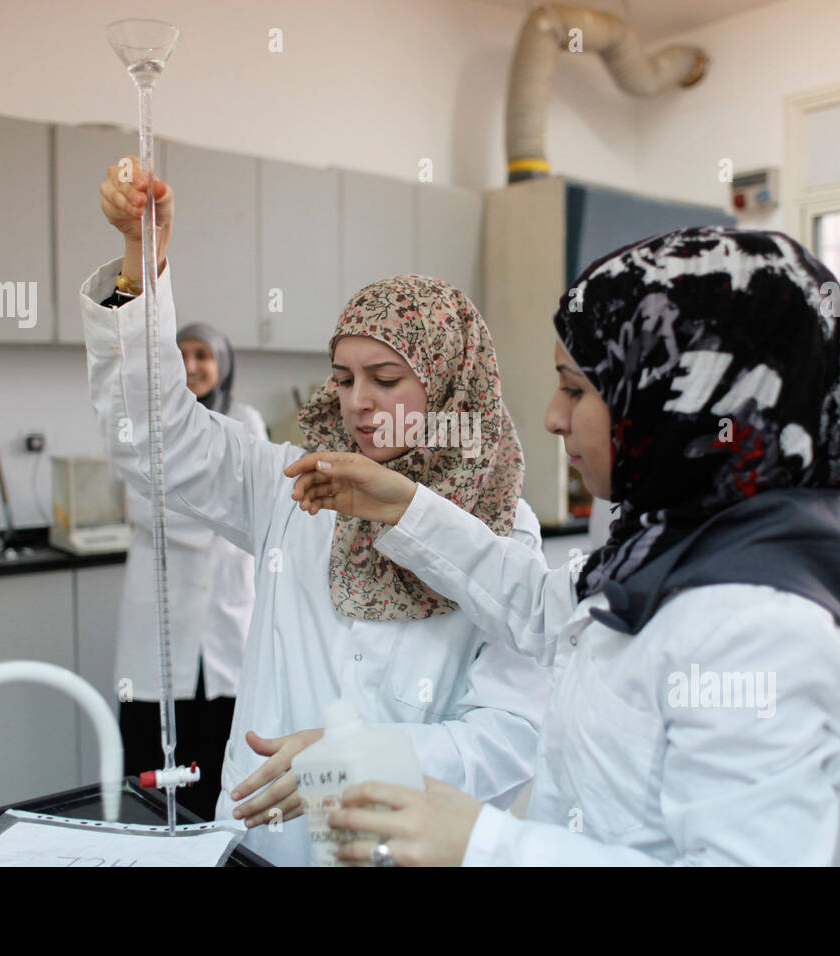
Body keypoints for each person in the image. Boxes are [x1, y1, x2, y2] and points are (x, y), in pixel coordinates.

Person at [286, 227, 840, 866]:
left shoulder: (761, 627)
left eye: (576, 388)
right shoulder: (667, 545)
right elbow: (542, 609)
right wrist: (405, 506)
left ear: (679, 396)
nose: (552, 415)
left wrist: (485, 846)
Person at [80, 158, 551, 865]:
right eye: (343, 378)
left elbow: (510, 732)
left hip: (400, 847)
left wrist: (355, 760)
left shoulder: (500, 529)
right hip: (262, 840)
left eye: (386, 379)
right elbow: (152, 439)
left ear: (452, 386)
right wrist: (139, 268)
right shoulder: (294, 485)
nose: (358, 401)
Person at [113, 320, 266, 821]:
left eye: (204, 354)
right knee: (151, 757)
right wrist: (216, 503)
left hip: (226, 614)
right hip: (161, 613)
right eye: (182, 354)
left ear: (223, 364)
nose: (193, 364)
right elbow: (142, 509)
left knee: (221, 747)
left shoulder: (245, 420)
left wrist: (184, 501)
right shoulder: (145, 421)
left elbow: (252, 499)